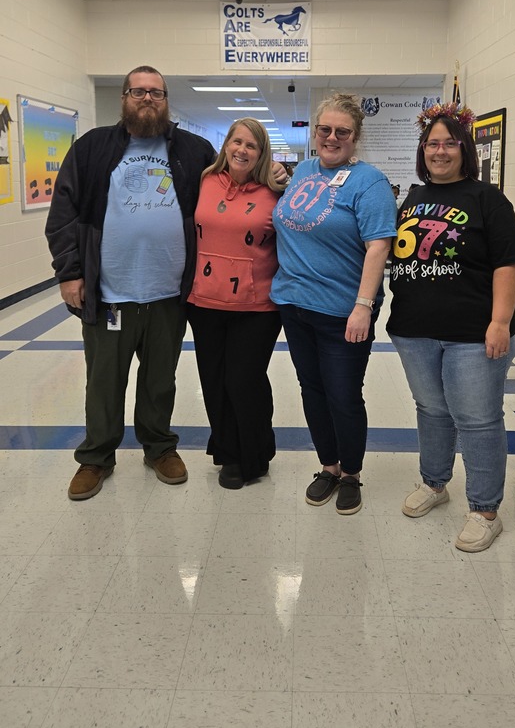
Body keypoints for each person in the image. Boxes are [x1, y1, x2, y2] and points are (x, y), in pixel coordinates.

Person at [45, 66, 217, 501]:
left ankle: (159, 447)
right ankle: (96, 457)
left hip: (168, 293)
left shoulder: (193, 150)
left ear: (166, 100)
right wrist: (70, 272)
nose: (147, 99)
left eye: (156, 93)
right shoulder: (92, 148)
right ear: (124, 97)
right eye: (138, 91)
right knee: (104, 380)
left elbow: (228, 193)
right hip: (110, 294)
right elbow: (63, 214)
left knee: (160, 379)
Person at [387, 101, 515, 552]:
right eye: (432, 144)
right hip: (413, 328)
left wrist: (500, 322)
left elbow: (508, 263)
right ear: (422, 150)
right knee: (431, 410)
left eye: (449, 144)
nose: (440, 151)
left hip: (473, 332)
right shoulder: (413, 197)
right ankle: (434, 483)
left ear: (464, 149)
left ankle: (485, 510)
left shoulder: (488, 199)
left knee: (479, 420)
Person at [271, 93, 397, 515]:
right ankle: (328, 465)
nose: (331, 137)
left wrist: (364, 305)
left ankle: (351, 474)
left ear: (355, 137)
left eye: (342, 132)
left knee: (343, 395)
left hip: (343, 311)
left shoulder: (370, 181)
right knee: (312, 390)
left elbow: (378, 246)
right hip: (294, 304)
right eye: (324, 129)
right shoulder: (303, 170)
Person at [186, 118, 285, 488]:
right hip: (204, 301)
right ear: (226, 144)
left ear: (262, 153)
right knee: (214, 381)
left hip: (256, 306)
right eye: (236, 141)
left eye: (252, 145)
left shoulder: (277, 189)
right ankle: (228, 454)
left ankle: (256, 453)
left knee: (245, 381)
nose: (242, 150)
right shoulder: (204, 181)